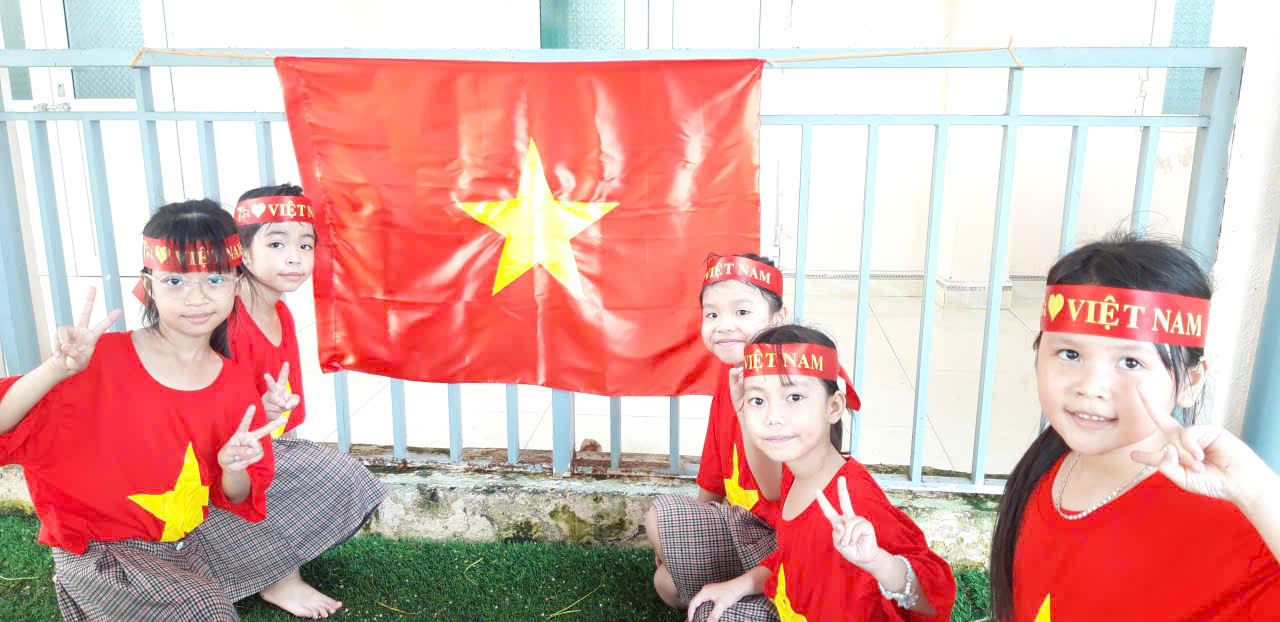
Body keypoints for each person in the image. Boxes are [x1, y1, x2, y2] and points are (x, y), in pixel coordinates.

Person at [0, 199, 283, 621]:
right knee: (208, 612)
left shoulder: (236, 383)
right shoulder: (96, 358)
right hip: (101, 550)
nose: (197, 298)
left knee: (333, 476)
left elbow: (239, 495)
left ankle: (237, 581)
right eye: (175, 281)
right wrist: (57, 369)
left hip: (186, 534)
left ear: (237, 284)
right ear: (148, 286)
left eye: (214, 279)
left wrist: (233, 467)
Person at [988, 234, 1280, 620]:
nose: (1090, 387)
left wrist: (1258, 491)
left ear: (1190, 382)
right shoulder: (1044, 469)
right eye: (1070, 353)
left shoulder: (1238, 525)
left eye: (1130, 362)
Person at [195, 185, 388, 619]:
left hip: (251, 448)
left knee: (330, 473)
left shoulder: (279, 311)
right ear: (242, 252)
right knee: (330, 473)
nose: (295, 258)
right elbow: (207, 421)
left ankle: (270, 561)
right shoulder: (227, 318)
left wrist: (268, 416)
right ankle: (277, 577)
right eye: (276, 243)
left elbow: (278, 422)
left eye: (305, 245)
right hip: (212, 459)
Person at [688, 325, 954, 620]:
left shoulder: (856, 499)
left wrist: (878, 561)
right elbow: (791, 556)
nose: (773, 417)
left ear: (834, 407)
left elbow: (933, 600)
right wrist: (738, 585)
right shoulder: (794, 472)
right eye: (758, 401)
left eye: (794, 397)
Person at [646, 254, 788, 617]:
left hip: (790, 545)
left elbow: (776, 491)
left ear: (778, 318)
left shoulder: (794, 386)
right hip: (748, 529)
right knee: (665, 575)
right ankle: (745, 593)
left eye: (742, 312)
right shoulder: (732, 375)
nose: (724, 326)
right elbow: (713, 470)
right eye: (712, 314)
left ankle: (760, 599)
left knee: (710, 610)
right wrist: (683, 541)